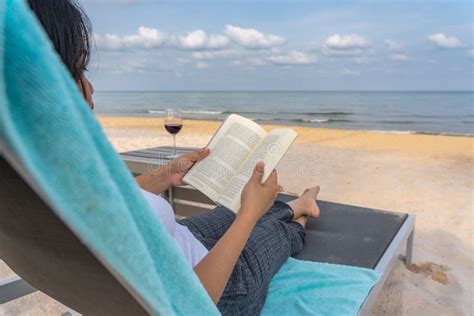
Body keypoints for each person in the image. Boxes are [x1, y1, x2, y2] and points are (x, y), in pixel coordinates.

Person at [27, 1, 321, 314]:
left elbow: (113, 208)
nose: (90, 87)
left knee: (230, 210)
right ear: (47, 80)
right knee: (269, 229)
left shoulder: (38, 173)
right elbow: (192, 305)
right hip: (220, 292)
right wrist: (249, 216)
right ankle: (299, 212)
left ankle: (283, 207)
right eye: (79, 70)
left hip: (173, 243)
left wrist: (163, 176)